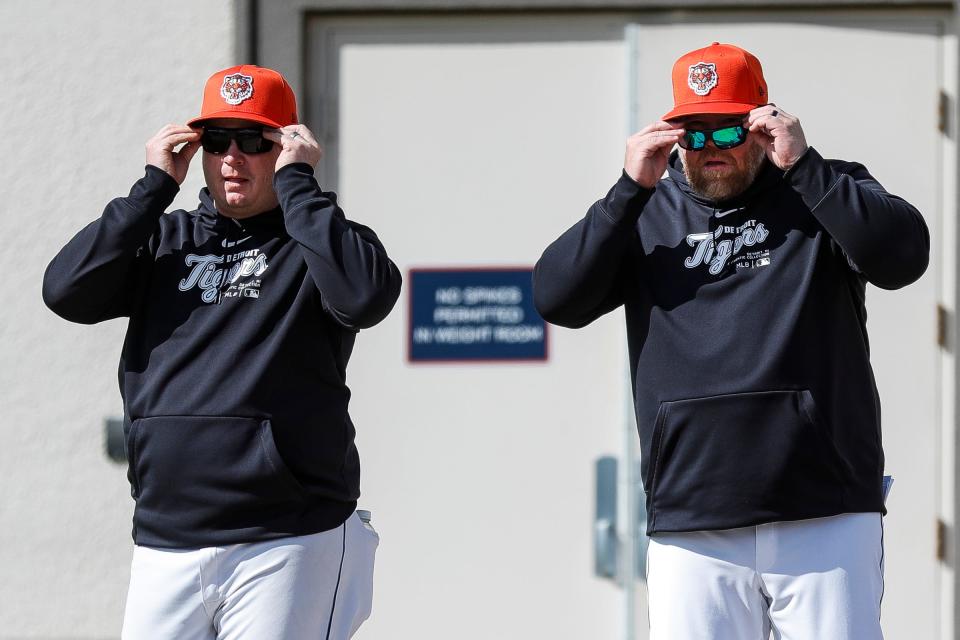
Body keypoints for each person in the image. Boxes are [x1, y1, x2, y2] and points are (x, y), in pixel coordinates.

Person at [533, 42, 929, 639]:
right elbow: (556, 299)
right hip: (694, 515)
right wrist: (625, 190)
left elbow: (903, 258)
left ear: (763, 123)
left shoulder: (824, 189)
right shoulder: (644, 212)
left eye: (727, 131)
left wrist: (808, 168)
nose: (710, 150)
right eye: (693, 134)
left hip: (825, 506)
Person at [42, 65, 401, 640]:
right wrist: (152, 188)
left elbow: (364, 299)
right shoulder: (165, 238)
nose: (233, 157)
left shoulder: (318, 242)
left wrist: (301, 190)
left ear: (286, 147)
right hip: (166, 536)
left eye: (254, 140)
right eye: (217, 140)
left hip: (288, 538)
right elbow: (66, 291)